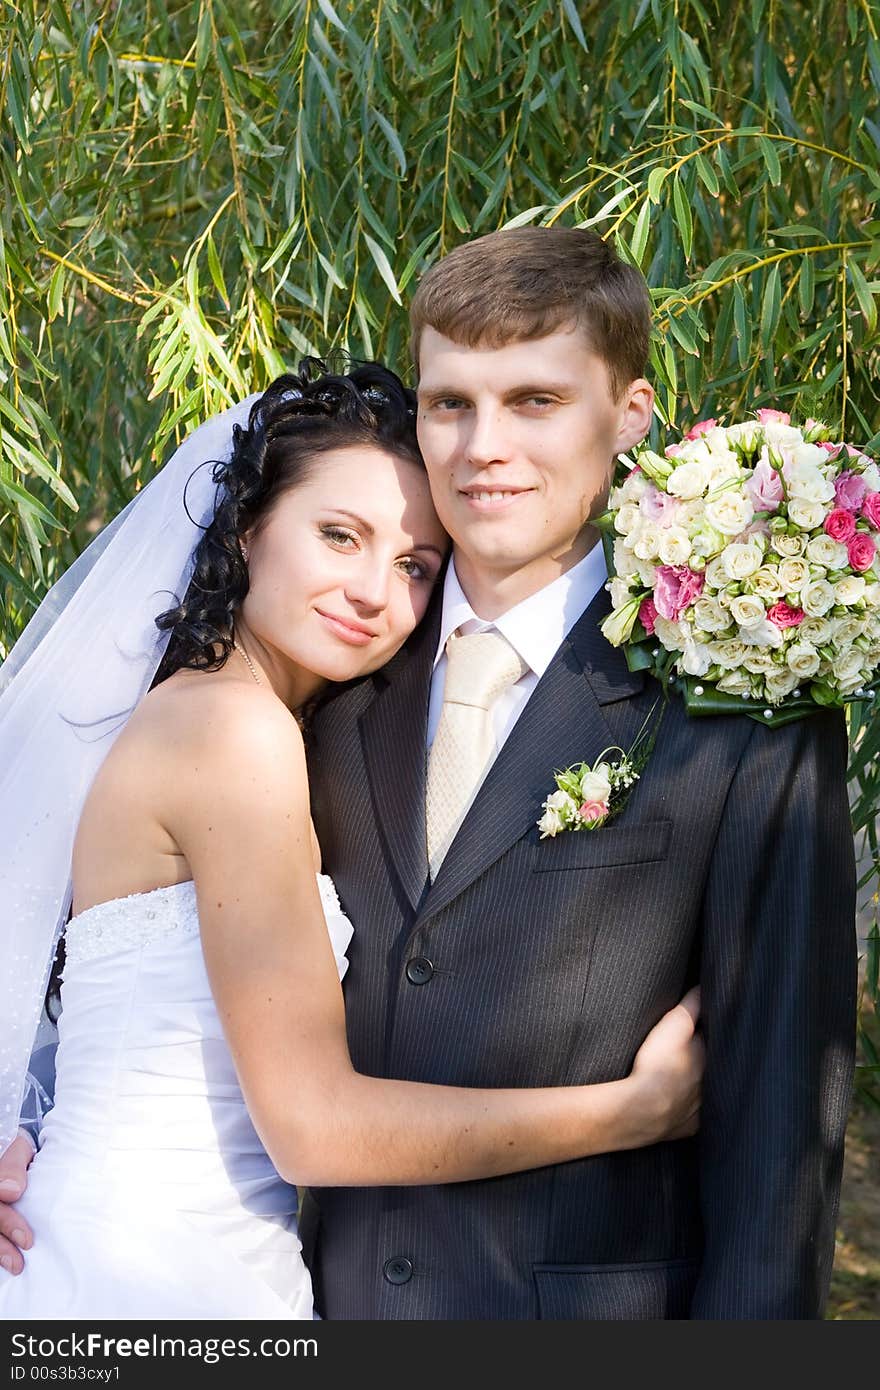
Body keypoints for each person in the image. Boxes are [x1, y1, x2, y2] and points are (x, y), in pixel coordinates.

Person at [0, 361, 702, 1319]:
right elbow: (313, 1129)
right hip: (153, 1275)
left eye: (415, 565)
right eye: (339, 536)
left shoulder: (225, 719)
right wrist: (628, 1112)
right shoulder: (232, 735)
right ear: (247, 530)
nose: (375, 591)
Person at [296, 226, 857, 1319]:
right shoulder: (328, 672)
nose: (479, 447)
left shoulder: (740, 707)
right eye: (448, 402)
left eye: (535, 401)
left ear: (630, 414)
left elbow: (779, 1141)